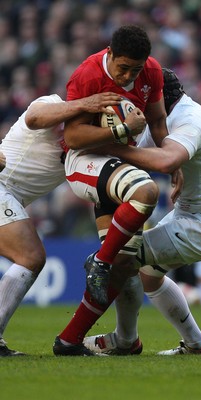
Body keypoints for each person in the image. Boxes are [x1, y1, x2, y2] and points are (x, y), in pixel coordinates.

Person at [82, 68, 201, 356]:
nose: (141, 102)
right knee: (149, 275)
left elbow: (166, 161)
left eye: (146, 95)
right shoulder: (165, 118)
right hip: (192, 214)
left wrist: (110, 148)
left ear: (159, 97)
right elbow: (142, 155)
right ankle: (197, 344)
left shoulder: (192, 120)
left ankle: (124, 340)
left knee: (123, 260)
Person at [52, 25, 175, 356]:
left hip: (117, 166)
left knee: (126, 266)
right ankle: (99, 261)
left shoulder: (151, 71)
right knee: (145, 192)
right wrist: (123, 128)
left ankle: (70, 340)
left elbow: (159, 123)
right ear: (109, 54)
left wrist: (172, 165)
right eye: (123, 68)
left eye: (135, 69)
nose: (128, 75)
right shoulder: (87, 74)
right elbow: (74, 137)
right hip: (83, 162)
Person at [0, 90, 126, 357]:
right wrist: (86, 103)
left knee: (30, 258)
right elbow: (34, 118)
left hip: (9, 195)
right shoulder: (52, 103)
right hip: (2, 186)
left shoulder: (82, 139)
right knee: (30, 256)